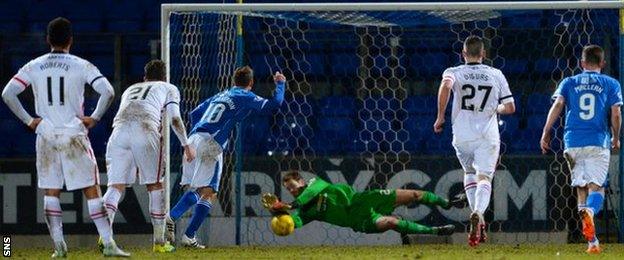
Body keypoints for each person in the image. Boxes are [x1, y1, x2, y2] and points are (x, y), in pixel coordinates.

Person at [1, 17, 129, 257]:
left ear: (48, 39)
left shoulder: (34, 65)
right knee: (91, 189)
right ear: (71, 40)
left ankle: (59, 248)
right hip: (73, 132)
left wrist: (30, 121)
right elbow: (108, 91)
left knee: (51, 192)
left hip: (46, 133)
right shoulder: (81, 64)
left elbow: (8, 93)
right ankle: (109, 244)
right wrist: (95, 117)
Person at [166, 66, 286, 248]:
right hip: (211, 143)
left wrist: (196, 140)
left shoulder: (222, 94)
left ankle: (187, 236)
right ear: (251, 83)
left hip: (192, 139)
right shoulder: (245, 96)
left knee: (197, 189)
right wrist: (280, 84)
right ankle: (173, 220)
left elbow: (194, 113)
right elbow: (274, 105)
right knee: (208, 191)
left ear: (234, 81)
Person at [101, 60, 196, 253]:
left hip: (118, 133)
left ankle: (104, 237)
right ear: (165, 77)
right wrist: (186, 145)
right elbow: (175, 118)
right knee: (155, 185)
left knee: (115, 186)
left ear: (145, 77)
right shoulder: (168, 87)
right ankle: (159, 242)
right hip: (145, 129)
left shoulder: (131, 88)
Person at [433, 35, 515, 247]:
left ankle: (478, 219)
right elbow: (511, 107)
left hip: (462, 136)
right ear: (483, 54)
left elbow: (445, 86)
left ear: (463, 54)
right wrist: (495, 108)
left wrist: (440, 116)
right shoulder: (496, 74)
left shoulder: (453, 72)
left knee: (469, 174)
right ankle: (478, 212)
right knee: (484, 178)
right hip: (487, 136)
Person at [540, 45, 621, 254]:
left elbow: (557, 105)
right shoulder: (611, 83)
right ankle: (591, 213)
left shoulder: (569, 82)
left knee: (581, 188)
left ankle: (592, 243)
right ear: (602, 63)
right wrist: (616, 136)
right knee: (597, 187)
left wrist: (546, 132)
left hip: (572, 142)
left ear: (582, 63)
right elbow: (616, 113)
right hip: (597, 141)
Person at [267, 171, 462, 236]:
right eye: (288, 189)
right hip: (359, 220)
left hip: (365, 199)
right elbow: (292, 224)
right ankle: (436, 232)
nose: (291, 190)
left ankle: (446, 203)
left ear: (301, 181)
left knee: (414, 194)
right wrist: (276, 215)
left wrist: (289, 205)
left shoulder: (314, 184)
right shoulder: (306, 211)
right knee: (392, 223)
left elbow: (308, 194)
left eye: (292, 186)